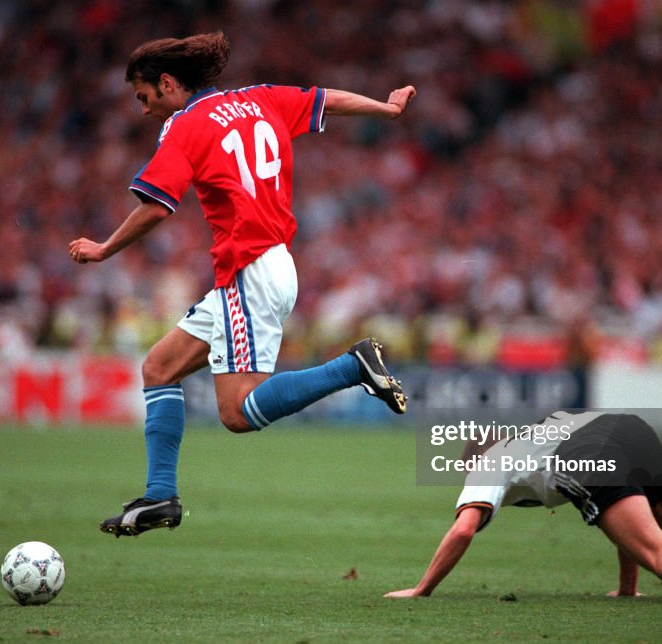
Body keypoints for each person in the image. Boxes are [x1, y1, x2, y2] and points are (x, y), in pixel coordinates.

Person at [68, 32, 415, 537]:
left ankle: (351, 366)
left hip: (249, 266)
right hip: (268, 265)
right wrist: (386, 110)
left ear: (167, 83)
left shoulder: (183, 126)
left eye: (144, 97)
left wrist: (103, 249)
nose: (144, 111)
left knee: (235, 412)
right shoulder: (260, 98)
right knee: (159, 368)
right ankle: (160, 495)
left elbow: (156, 205)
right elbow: (328, 100)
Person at [386, 411, 662, 604]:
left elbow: (462, 530)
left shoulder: (489, 463)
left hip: (585, 451)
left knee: (660, 554)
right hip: (628, 427)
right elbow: (623, 511)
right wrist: (626, 589)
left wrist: (423, 590)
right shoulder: (530, 439)